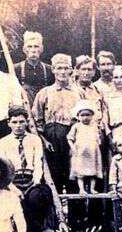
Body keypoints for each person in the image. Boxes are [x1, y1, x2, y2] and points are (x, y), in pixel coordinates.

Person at [0, 107, 68, 232]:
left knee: (39, 195)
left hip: (31, 178)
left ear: (27, 122)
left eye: (21, 122)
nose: (18, 126)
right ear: (9, 123)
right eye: (15, 122)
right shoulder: (3, 142)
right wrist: (12, 187)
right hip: (12, 180)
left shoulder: (34, 140)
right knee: (16, 201)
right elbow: (2, 168)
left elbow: (38, 163)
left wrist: (35, 182)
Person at [33, 53, 84, 192]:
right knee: (53, 176)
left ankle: (76, 213)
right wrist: (44, 140)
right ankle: (54, 212)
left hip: (73, 137)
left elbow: (85, 117)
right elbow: (36, 120)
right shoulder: (44, 93)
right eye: (59, 68)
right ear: (53, 70)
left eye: (65, 68)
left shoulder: (79, 92)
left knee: (73, 174)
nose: (62, 72)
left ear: (71, 70)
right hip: (52, 138)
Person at [68, 100, 103, 194]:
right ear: (78, 116)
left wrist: (97, 144)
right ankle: (81, 189)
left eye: (88, 115)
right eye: (82, 115)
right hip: (80, 152)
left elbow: (97, 138)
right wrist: (73, 148)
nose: (85, 117)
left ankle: (92, 188)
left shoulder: (94, 126)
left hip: (92, 152)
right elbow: (69, 138)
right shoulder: (76, 126)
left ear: (92, 116)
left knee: (93, 171)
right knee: (80, 172)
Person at [14, 31, 54, 104]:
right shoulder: (16, 69)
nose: (33, 50)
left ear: (41, 49)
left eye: (36, 46)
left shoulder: (49, 70)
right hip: (24, 110)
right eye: (29, 46)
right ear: (24, 49)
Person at [74, 55, 110, 132]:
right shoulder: (71, 90)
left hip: (97, 132)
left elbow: (104, 110)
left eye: (89, 69)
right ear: (77, 71)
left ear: (94, 72)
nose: (86, 73)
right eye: (83, 69)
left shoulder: (98, 91)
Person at [103, 66, 122, 137]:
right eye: (116, 77)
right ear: (112, 79)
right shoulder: (107, 97)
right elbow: (105, 118)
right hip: (115, 131)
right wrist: (109, 135)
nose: (119, 80)